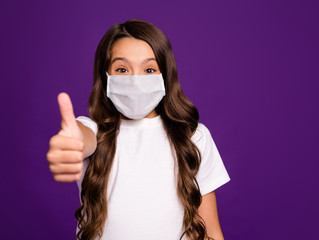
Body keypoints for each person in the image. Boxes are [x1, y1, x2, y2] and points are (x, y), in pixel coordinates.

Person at [46, 19, 230, 240]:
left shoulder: (194, 137)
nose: (135, 81)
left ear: (165, 76)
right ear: (106, 77)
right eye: (122, 69)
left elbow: (211, 231)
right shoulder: (94, 130)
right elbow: (81, 138)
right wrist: (71, 144)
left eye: (149, 69)